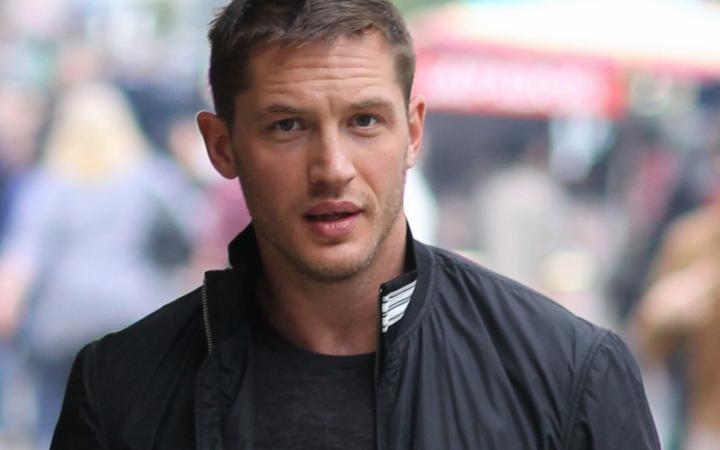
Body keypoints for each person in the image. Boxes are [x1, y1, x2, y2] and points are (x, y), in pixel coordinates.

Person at [51, 1, 659, 448]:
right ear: (222, 146)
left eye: (365, 121)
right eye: (287, 126)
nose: (332, 169)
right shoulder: (120, 388)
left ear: (413, 132)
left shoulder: (568, 373)